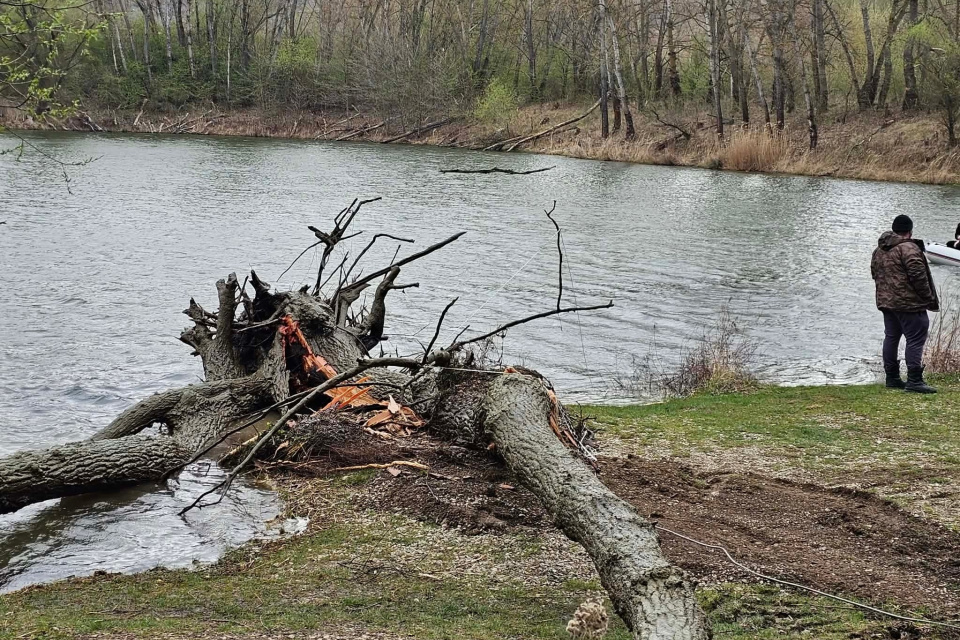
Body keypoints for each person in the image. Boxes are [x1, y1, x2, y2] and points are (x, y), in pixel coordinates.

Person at [871, 214, 939, 393]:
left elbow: (874, 274)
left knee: (891, 337)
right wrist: (927, 297)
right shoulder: (909, 248)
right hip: (909, 304)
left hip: (887, 302)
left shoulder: (879, 250)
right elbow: (918, 277)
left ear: (894, 229)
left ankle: (892, 377)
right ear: (910, 231)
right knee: (916, 338)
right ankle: (914, 380)